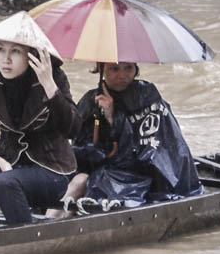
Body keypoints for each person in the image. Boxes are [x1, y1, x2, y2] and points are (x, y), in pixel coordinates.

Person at [0, 11, 76, 230]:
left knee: (7, 183)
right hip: (8, 164)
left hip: (52, 169)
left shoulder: (54, 78)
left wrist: (50, 87)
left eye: (15, 51)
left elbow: (72, 129)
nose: (6, 58)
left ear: (31, 55)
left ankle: (27, 246)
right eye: (0, 49)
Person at [57, 62, 203, 214]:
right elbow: (80, 150)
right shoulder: (90, 101)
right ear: (101, 69)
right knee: (78, 181)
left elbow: (158, 151)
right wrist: (101, 119)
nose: (122, 75)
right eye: (114, 69)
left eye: (128, 68)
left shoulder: (148, 96)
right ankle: (50, 222)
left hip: (144, 175)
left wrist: (113, 118)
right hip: (104, 172)